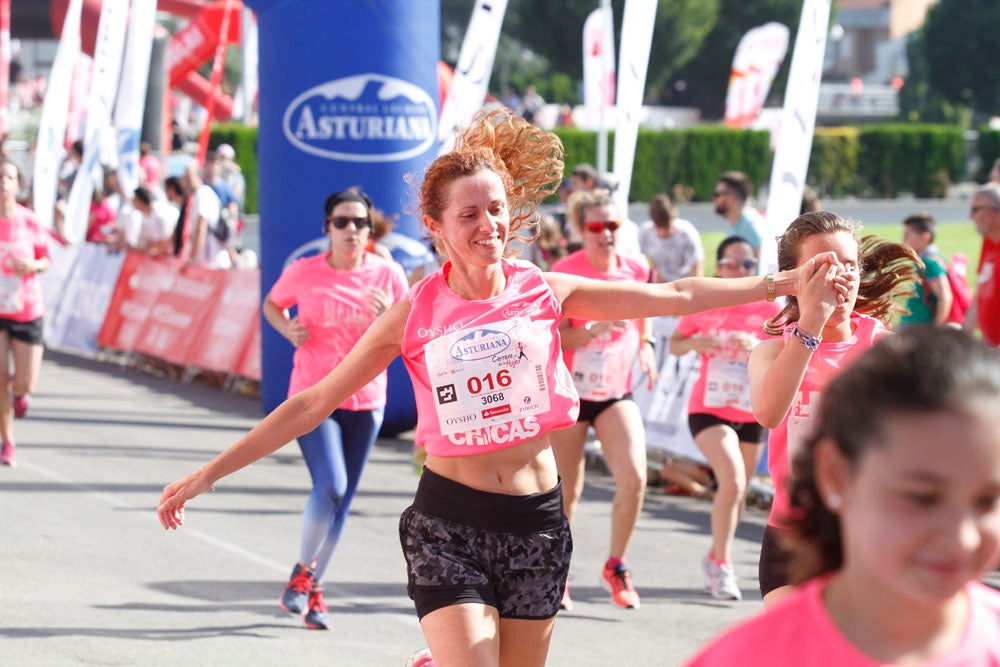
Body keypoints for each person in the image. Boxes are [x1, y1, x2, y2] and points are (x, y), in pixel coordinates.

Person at [158, 109, 834, 667]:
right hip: (450, 520)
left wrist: (779, 284)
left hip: (538, 524)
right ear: (437, 225)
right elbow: (313, 401)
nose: (488, 227)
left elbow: (675, 292)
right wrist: (210, 472)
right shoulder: (412, 312)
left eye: (498, 211)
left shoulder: (546, 290)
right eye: (469, 215)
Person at [686, 326, 1000, 666]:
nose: (961, 537)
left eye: (988, 501)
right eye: (923, 498)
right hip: (789, 534)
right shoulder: (744, 655)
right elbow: (768, 411)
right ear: (835, 474)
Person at [747, 210, 918, 607]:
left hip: (871, 539)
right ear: (793, 277)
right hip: (794, 539)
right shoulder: (772, 351)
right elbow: (769, 413)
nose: (840, 276)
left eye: (850, 264)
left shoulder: (888, 350)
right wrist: (812, 322)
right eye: (823, 266)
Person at [263, 188, 408, 630]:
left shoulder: (388, 274)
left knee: (342, 501)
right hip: (314, 395)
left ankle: (311, 586)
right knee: (330, 484)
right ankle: (307, 576)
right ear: (327, 227)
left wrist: (390, 317)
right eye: (342, 222)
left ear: (369, 229)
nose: (351, 230)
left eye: (359, 223)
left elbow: (410, 333)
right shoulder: (304, 271)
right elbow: (272, 303)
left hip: (367, 400)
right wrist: (287, 328)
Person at [549, 189, 658, 611]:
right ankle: (557, 573)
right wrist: (590, 332)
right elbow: (550, 336)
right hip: (572, 394)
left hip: (615, 390)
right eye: (595, 227)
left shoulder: (636, 267)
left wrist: (645, 343)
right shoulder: (565, 271)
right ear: (581, 229)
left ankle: (616, 565)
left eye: (612, 225)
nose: (605, 234)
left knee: (634, 479)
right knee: (567, 490)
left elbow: (645, 309)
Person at [669, 237, 781, 601]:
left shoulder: (768, 310)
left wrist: (759, 348)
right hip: (708, 408)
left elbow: (786, 350)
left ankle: (717, 555)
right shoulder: (706, 304)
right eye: (734, 265)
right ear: (720, 267)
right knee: (731, 480)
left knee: (738, 491)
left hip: (751, 410)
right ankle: (722, 564)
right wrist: (697, 344)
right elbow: (675, 343)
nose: (741, 271)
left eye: (749, 265)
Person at [0, 160, 52, 467]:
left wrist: (33, 266)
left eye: (9, 177)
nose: (3, 182)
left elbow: (46, 259)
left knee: (24, 383)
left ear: (18, 185)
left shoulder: (29, 221)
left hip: (26, 308)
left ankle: (22, 395)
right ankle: (8, 442)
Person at [899, 212, 953, 327]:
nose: (904, 240)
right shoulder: (923, 260)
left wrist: (936, 330)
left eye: (907, 235)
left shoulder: (930, 263)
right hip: (914, 323)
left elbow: (945, 297)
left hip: (919, 326)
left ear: (925, 237)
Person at [639, 193, 704, 284]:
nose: (663, 232)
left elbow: (696, 266)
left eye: (667, 227)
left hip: (685, 282)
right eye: (658, 227)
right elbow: (644, 259)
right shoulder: (645, 232)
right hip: (661, 283)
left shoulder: (686, 233)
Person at [964, 183, 1000, 346]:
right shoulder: (989, 241)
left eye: (974, 210)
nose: (970, 217)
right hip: (989, 344)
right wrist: (964, 336)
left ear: (991, 212)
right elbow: (982, 290)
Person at [179, 163, 231, 270]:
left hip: (212, 260)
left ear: (199, 177)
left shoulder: (202, 195)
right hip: (209, 259)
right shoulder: (198, 196)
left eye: (189, 178)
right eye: (185, 179)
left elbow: (201, 228)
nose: (185, 183)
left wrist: (192, 257)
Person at [713, 171, 765, 259]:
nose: (714, 199)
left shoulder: (752, 227)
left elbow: (765, 266)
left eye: (717, 194)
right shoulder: (735, 222)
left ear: (731, 198)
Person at [129, 186, 179, 256]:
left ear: (141, 201)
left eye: (134, 200)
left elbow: (166, 241)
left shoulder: (159, 215)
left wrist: (151, 251)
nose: (133, 203)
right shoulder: (145, 216)